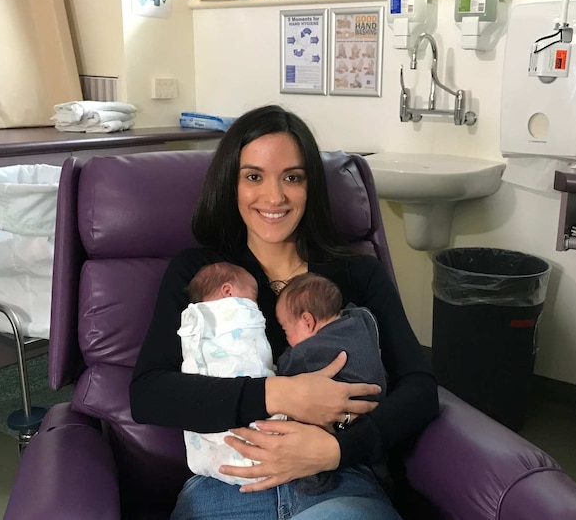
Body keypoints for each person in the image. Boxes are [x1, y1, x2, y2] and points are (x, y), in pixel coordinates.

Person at [130, 104, 439, 520]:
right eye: (254, 176)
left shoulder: (357, 273)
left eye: (292, 177)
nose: (274, 197)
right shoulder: (200, 275)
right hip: (223, 488)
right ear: (231, 184)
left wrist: (335, 449)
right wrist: (278, 393)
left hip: (339, 483)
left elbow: (420, 390)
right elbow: (148, 394)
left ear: (310, 187)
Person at [275, 272, 387, 496]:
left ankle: (313, 482)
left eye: (286, 331)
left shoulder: (307, 352)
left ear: (307, 321)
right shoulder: (361, 321)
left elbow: (284, 374)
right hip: (375, 416)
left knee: (301, 410)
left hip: (336, 425)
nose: (287, 339)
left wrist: (285, 358)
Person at [178, 261, 280, 486]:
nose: (255, 305)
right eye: (253, 298)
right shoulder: (218, 316)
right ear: (228, 291)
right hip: (231, 395)